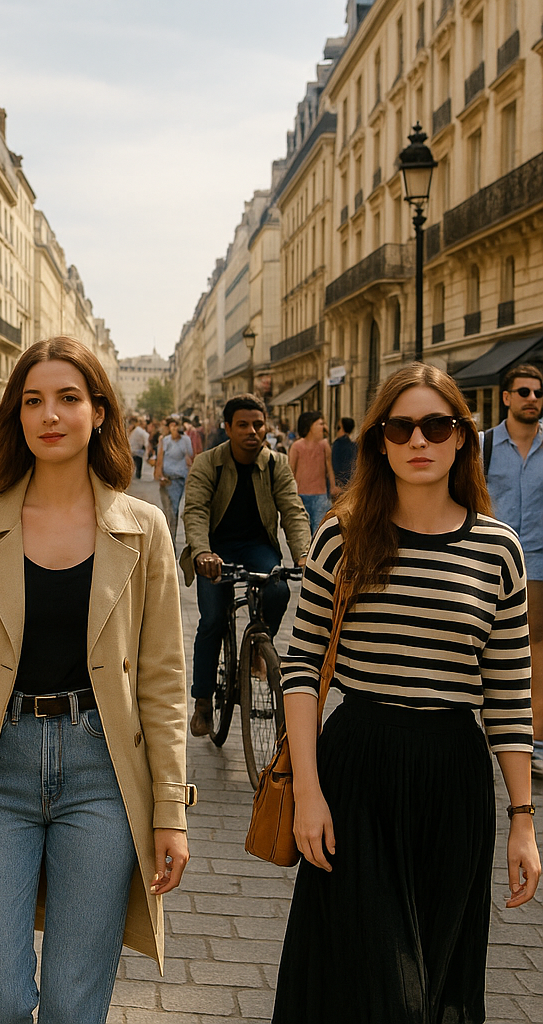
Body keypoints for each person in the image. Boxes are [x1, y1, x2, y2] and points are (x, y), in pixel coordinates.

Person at [0, 336, 192, 1024]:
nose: (50, 414)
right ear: (16, 418)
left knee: (72, 1005)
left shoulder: (142, 529)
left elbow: (165, 681)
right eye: (33, 401)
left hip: (103, 770)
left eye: (69, 398)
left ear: (101, 412)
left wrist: (169, 809)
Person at [273, 363, 540, 1024]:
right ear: (381, 443)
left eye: (437, 424)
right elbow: (303, 667)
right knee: (382, 990)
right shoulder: (344, 534)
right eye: (401, 426)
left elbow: (508, 693)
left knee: (438, 983)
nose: (419, 439)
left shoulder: (497, 549)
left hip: (455, 777)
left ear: (461, 440)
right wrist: (307, 791)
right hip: (357, 772)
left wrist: (524, 820)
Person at [182, 394, 310, 736]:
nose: (252, 431)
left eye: (258, 424)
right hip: (216, 550)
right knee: (211, 620)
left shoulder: (276, 464)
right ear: (228, 428)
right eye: (243, 425)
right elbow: (194, 511)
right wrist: (202, 552)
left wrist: (303, 554)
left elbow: (293, 511)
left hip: (256, 547)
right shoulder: (209, 463)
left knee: (279, 589)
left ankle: (259, 642)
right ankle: (203, 702)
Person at [481, 364, 543, 777]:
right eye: (523, 392)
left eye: (538, 393)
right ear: (506, 397)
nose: (532, 399)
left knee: (535, 645)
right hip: (488, 560)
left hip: (537, 560)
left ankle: (534, 738)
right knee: (483, 646)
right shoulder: (483, 445)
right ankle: (487, 723)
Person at [289, 410, 337, 534]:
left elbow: (329, 468)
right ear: (311, 426)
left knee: (318, 531)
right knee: (302, 531)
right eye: (320, 424)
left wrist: (332, 487)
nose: (324, 427)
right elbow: (290, 471)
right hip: (301, 496)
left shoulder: (324, 445)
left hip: (320, 496)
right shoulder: (297, 446)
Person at [155, 416, 194, 540]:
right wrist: (160, 476)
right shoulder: (165, 441)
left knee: (175, 510)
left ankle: (174, 540)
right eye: (172, 426)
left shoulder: (185, 440)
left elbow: (190, 457)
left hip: (180, 479)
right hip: (168, 479)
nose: (174, 428)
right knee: (169, 511)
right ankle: (170, 540)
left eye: (176, 426)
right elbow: (160, 459)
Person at [330, 416, 356, 488]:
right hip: (350, 483)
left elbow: (334, 465)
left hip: (340, 484)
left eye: (338, 428)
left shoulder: (338, 444)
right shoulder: (354, 445)